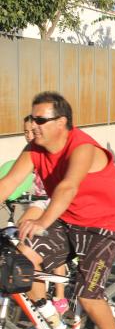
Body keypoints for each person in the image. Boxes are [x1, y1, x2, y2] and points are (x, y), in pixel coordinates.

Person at [0, 92, 115, 329]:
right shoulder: (34, 148)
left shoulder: (81, 147)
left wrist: (41, 221)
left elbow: (68, 187)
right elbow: (7, 184)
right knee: (20, 262)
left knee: (87, 293)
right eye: (31, 118)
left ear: (62, 122)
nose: (33, 125)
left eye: (40, 119)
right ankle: (51, 322)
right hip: (69, 221)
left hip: (106, 227)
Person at [18, 115, 68, 316]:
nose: (29, 136)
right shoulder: (29, 152)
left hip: (56, 200)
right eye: (25, 132)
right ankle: (38, 293)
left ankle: (59, 295)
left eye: (33, 131)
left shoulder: (54, 150)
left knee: (50, 239)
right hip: (41, 199)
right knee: (21, 230)